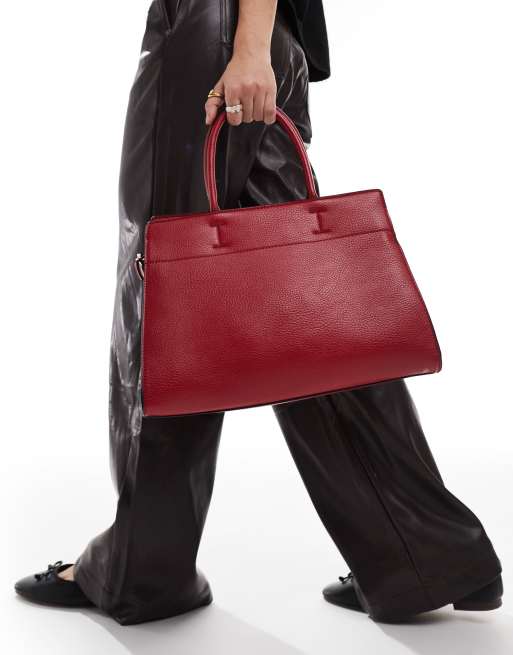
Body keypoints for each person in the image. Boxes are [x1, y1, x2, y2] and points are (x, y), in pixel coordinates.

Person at [15, 0, 503, 626]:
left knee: (167, 295)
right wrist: (255, 43)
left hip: (216, 37)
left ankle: (145, 572)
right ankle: (426, 554)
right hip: (264, 39)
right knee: (305, 314)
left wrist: (247, 47)